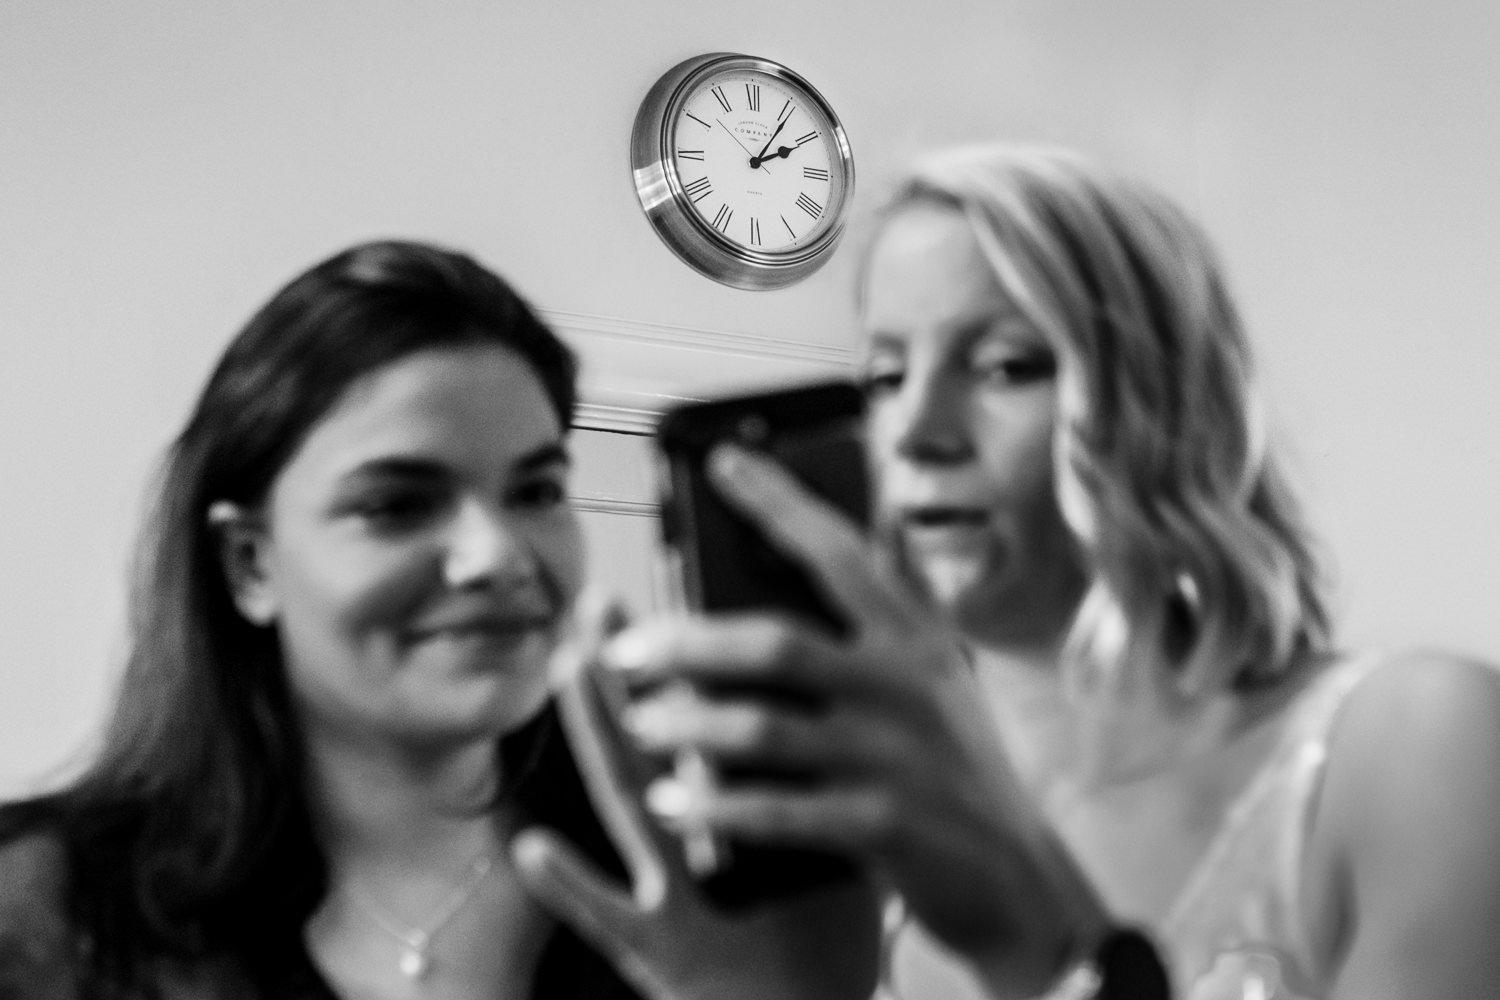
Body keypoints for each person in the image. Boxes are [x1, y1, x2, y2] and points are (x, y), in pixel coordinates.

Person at [521, 145, 1500, 999]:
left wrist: (1044, 950)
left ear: (1164, 403)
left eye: (1005, 366)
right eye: (888, 376)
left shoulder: (1414, 741)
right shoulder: (854, 817)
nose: (919, 432)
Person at [0, 239, 881, 999]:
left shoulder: (706, 878)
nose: (498, 556)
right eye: (396, 505)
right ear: (251, 564)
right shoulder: (39, 907)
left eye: (536, 490)